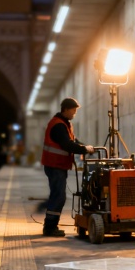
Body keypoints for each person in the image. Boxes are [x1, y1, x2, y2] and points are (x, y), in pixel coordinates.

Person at [41, 97, 94, 237]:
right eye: (74, 110)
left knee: (58, 195)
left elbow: (73, 141)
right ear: (65, 109)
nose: (75, 113)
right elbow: (67, 145)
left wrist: (85, 147)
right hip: (55, 165)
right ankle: (50, 228)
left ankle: (51, 226)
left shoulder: (65, 124)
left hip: (58, 165)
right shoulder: (58, 125)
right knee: (58, 196)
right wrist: (84, 149)